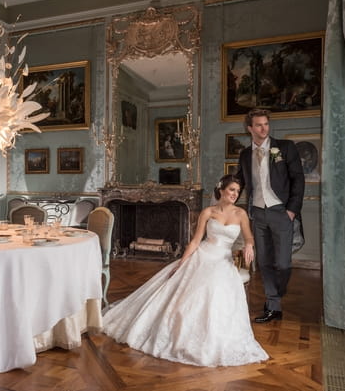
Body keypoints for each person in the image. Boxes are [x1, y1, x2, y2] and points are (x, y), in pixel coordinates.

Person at [102, 175, 269, 367]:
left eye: (238, 191)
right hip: (203, 255)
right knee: (187, 288)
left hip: (223, 260)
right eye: (232, 190)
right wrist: (182, 263)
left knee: (214, 286)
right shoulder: (208, 212)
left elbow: (249, 237)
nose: (235, 194)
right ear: (221, 190)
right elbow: (196, 241)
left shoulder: (240, 214)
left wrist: (249, 246)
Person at [235, 108, 305, 323]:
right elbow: (239, 181)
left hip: (281, 212)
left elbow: (298, 179)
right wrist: (224, 192)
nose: (263, 128)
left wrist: (291, 210)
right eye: (258, 125)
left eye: (266, 124)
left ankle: (275, 296)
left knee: (283, 264)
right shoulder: (245, 154)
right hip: (257, 213)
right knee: (264, 261)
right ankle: (273, 305)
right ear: (250, 128)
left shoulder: (285, 147)